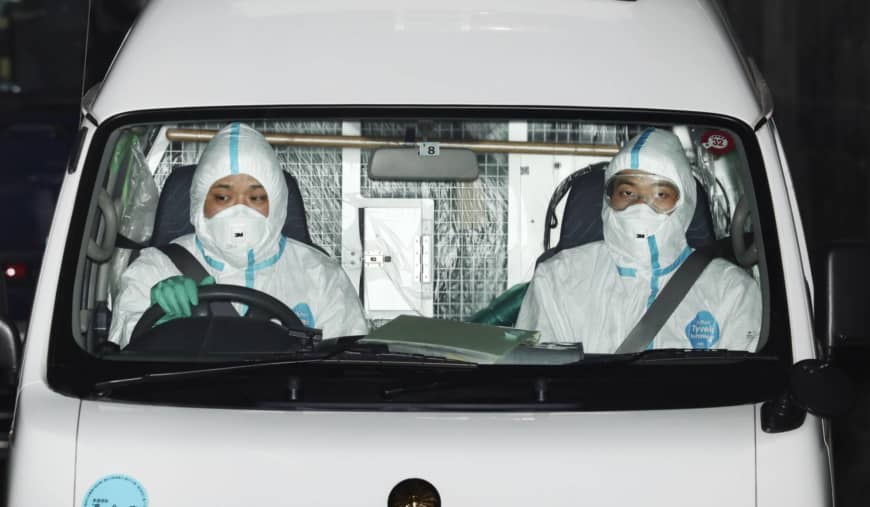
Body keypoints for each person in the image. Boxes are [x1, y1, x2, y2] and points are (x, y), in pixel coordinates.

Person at [109, 122, 368, 348]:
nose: (239, 211)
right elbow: (123, 354)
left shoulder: (320, 274)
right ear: (200, 201)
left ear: (277, 203)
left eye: (256, 197)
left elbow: (344, 363)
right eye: (223, 197)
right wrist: (159, 326)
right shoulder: (155, 268)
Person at [516, 128, 761, 353]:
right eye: (628, 193)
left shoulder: (730, 291)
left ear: (684, 204)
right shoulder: (558, 280)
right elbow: (536, 375)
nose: (641, 207)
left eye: (660, 194)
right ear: (608, 200)